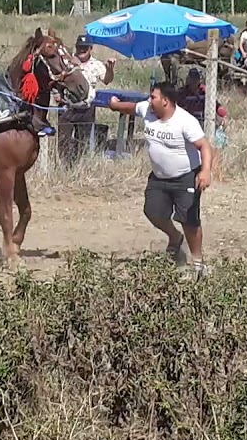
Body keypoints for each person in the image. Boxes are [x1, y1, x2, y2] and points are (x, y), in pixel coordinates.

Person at [106, 82, 213, 275]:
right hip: (159, 177)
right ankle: (174, 237)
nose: (149, 100)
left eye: (153, 97)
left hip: (186, 177)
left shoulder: (185, 121)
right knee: (152, 212)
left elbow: (204, 146)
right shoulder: (147, 109)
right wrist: (114, 105)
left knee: (189, 219)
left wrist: (205, 171)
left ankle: (197, 262)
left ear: (165, 101)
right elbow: (132, 108)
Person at [59, 35, 115, 163]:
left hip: (86, 108)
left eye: (84, 48)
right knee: (63, 140)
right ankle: (63, 167)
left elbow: (106, 80)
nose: (81, 51)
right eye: (79, 48)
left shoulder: (96, 64)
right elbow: (57, 79)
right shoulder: (66, 61)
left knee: (82, 140)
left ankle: (78, 166)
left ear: (91, 49)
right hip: (67, 107)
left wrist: (110, 69)